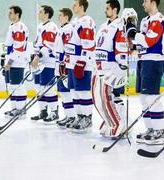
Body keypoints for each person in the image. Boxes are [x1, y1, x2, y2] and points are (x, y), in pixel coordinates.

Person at [124, 0, 164, 145]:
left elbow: (149, 40)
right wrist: (132, 44)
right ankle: (150, 129)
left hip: (154, 61)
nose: (143, 3)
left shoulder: (158, 20)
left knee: (151, 97)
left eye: (145, 1)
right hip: (143, 60)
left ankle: (159, 131)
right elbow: (142, 42)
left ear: (152, 2)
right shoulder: (146, 20)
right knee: (144, 98)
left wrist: (133, 32)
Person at [92, 0, 128, 138]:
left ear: (115, 10)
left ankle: (118, 124)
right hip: (99, 67)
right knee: (97, 98)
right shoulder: (103, 26)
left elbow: (121, 48)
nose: (105, 10)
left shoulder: (120, 26)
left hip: (110, 68)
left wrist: (121, 66)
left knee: (106, 98)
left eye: (107, 8)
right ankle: (108, 121)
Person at [64, 0, 96, 133]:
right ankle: (80, 116)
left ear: (82, 7)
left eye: (75, 5)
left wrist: (82, 62)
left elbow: (88, 44)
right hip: (72, 63)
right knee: (73, 91)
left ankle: (87, 119)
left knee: (83, 91)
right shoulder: (74, 22)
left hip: (81, 64)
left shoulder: (86, 21)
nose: (73, 6)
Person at [31, 5, 59, 124]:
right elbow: (38, 44)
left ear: (47, 14)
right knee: (39, 87)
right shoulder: (40, 26)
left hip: (48, 63)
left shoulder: (51, 27)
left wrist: (38, 56)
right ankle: (43, 110)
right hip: (40, 62)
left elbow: (49, 46)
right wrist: (34, 55)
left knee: (48, 88)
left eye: (41, 12)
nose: (39, 13)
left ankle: (54, 112)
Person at [3, 5, 29, 118]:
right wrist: (5, 59)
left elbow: (19, 47)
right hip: (11, 60)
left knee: (18, 86)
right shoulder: (13, 26)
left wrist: (9, 62)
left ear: (17, 14)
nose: (9, 15)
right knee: (11, 86)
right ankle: (14, 108)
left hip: (17, 61)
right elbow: (9, 45)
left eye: (11, 13)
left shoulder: (19, 27)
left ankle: (21, 109)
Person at [54, 8, 77, 128]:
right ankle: (68, 115)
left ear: (67, 17)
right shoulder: (61, 29)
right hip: (59, 64)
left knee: (67, 92)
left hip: (64, 65)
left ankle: (72, 116)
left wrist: (64, 64)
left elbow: (67, 48)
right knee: (63, 92)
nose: (59, 17)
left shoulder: (68, 29)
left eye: (61, 15)